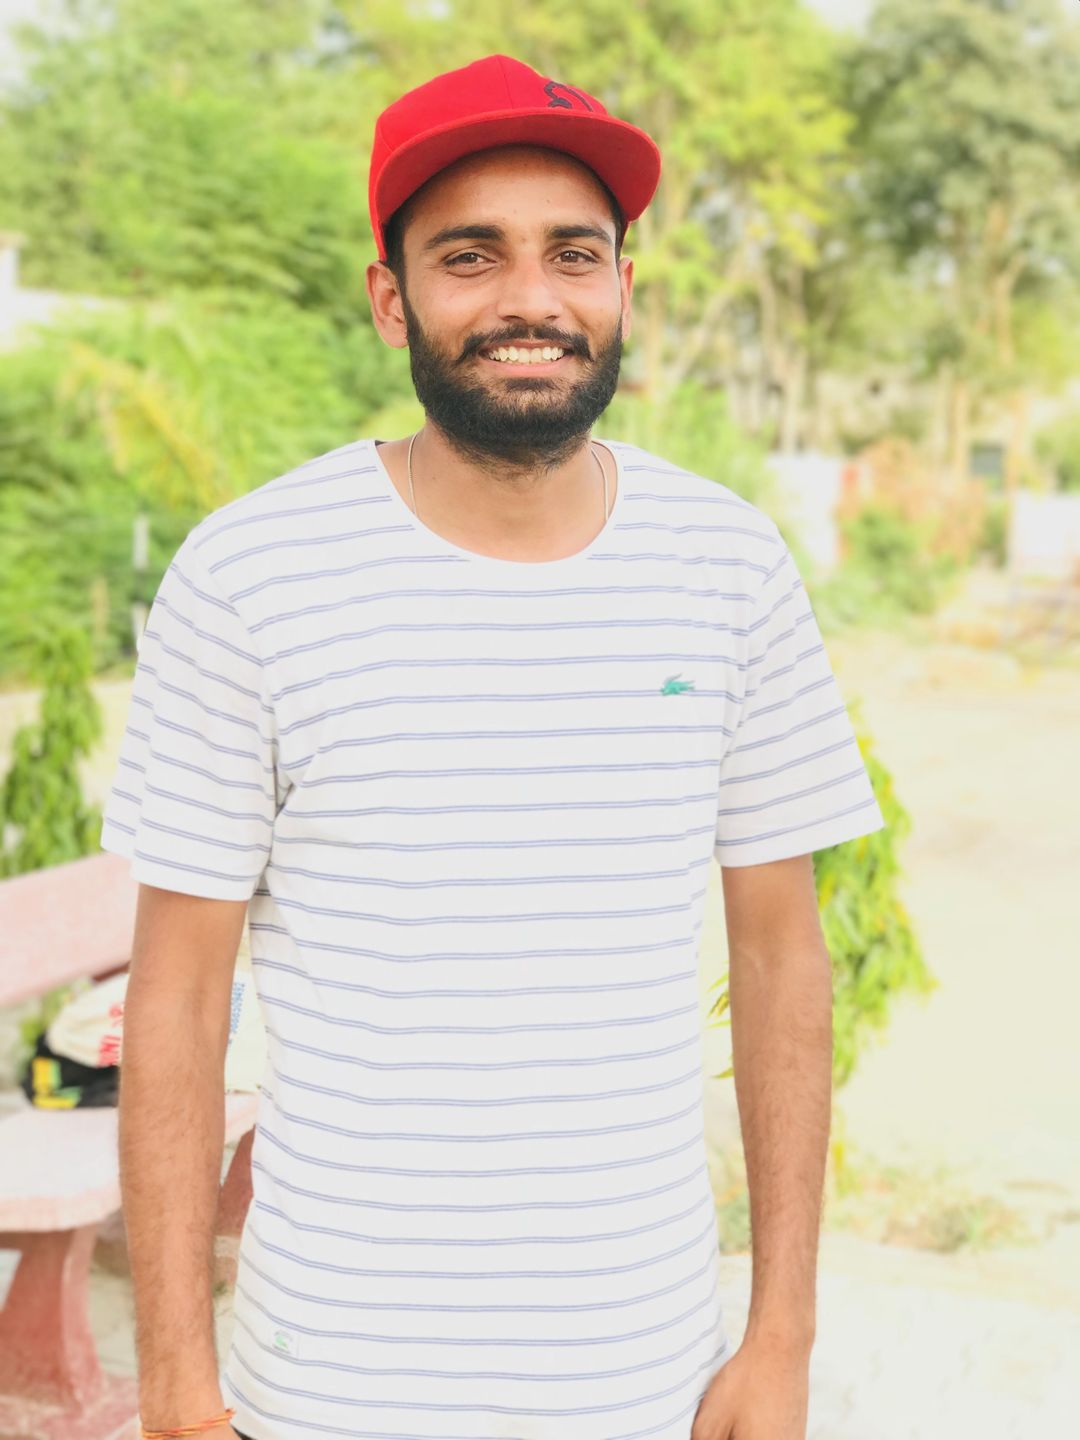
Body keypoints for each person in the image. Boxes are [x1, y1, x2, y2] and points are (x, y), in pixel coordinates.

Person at [102, 53, 885, 1440]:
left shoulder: (728, 565)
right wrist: (175, 1387)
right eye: (471, 256)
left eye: (573, 254)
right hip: (328, 1382)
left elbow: (781, 958)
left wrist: (783, 1337)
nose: (532, 299)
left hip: (646, 1373)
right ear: (390, 298)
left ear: (623, 287)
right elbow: (176, 1000)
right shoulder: (250, 576)